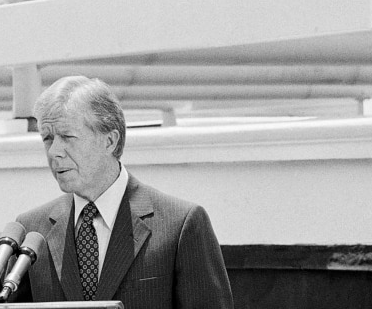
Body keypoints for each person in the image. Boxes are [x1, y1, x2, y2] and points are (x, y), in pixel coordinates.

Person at [12, 75, 234, 309]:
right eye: (47, 138)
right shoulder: (31, 231)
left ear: (109, 141)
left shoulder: (180, 224)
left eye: (67, 137)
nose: (54, 151)